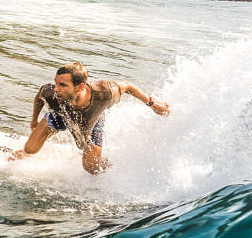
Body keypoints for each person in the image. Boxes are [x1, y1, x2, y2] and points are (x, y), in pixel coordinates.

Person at [11, 61, 170, 174]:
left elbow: (128, 86)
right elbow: (40, 97)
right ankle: (24, 152)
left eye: (63, 85)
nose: (56, 89)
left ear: (80, 87)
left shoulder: (104, 92)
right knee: (31, 148)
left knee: (92, 168)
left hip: (92, 120)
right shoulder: (52, 94)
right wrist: (34, 120)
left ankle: (113, 167)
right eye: (56, 83)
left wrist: (153, 104)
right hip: (61, 114)